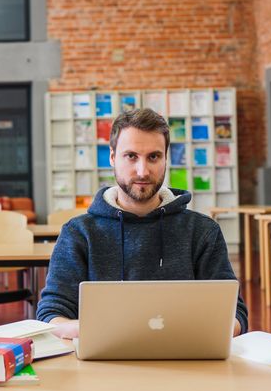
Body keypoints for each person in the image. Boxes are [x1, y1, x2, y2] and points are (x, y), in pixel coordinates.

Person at [37, 108, 248, 338]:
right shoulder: (78, 233)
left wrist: (202, 333)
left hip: (185, 362)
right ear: (112, 157)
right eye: (131, 156)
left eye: (153, 157)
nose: (142, 170)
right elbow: (51, 315)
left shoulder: (202, 232)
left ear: (166, 159)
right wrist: (96, 331)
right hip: (102, 367)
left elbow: (235, 313)